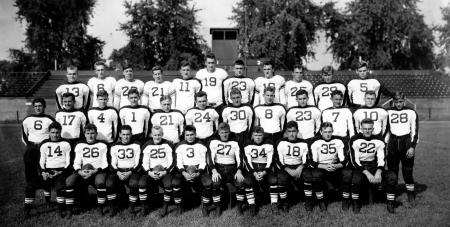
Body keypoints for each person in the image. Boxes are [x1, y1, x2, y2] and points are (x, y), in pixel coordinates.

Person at [348, 119, 398, 213]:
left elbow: (381, 158)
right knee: (356, 179)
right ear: (361, 129)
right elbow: (354, 160)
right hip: (359, 166)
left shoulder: (379, 139)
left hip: (373, 165)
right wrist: (368, 174)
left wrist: (378, 172)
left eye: (369, 129)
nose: (367, 131)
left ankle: (390, 203)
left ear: (373, 129)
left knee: (392, 176)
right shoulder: (354, 139)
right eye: (365, 129)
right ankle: (356, 203)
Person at [24, 122, 70, 218]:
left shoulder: (66, 143)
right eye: (53, 132)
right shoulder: (44, 143)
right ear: (49, 132)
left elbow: (69, 162)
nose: (55, 135)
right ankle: (27, 210)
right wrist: (43, 172)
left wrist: (61, 172)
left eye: (57, 132)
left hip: (61, 171)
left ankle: (61, 210)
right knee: (30, 185)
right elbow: (41, 161)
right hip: (48, 171)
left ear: (60, 132)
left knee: (60, 186)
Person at [65, 124, 108, 218]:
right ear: (84, 134)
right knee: (69, 182)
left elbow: (105, 163)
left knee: (100, 182)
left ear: (96, 134)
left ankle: (100, 209)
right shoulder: (80, 145)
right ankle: (69, 211)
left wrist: (94, 171)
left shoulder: (102, 145)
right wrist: (80, 172)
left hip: (97, 171)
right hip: (83, 171)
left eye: (92, 133)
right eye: (88, 133)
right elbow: (76, 162)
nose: (90, 135)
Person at [22, 98, 55, 211]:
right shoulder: (27, 120)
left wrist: (45, 146)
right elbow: (24, 136)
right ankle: (30, 201)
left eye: (40, 105)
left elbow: (53, 134)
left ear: (44, 106)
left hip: (44, 148)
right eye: (36, 106)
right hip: (31, 148)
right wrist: (31, 145)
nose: (38, 108)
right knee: (30, 175)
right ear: (33, 107)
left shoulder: (49, 119)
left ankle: (48, 200)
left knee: (45, 173)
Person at [386, 92, 419, 203]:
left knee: (407, 171)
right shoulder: (388, 111)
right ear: (393, 101)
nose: (399, 104)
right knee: (392, 171)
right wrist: (386, 145)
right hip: (393, 142)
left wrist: (412, 147)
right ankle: (392, 193)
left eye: (400, 101)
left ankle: (410, 194)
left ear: (404, 100)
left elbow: (415, 131)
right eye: (396, 102)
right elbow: (385, 130)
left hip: (406, 142)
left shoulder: (411, 112)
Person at [206, 123, 245, 216]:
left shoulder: (235, 142)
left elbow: (240, 158)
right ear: (218, 133)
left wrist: (239, 171)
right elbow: (210, 159)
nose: (224, 135)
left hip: (231, 167)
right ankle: (218, 207)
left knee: (240, 183)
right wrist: (214, 171)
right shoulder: (213, 142)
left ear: (229, 132)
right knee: (215, 183)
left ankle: (239, 206)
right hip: (218, 168)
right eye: (222, 132)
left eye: (226, 132)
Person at [309, 122, 348, 212]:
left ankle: (345, 200)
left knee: (348, 173)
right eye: (325, 132)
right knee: (316, 175)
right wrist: (324, 166)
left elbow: (344, 159)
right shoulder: (314, 141)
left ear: (332, 131)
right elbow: (312, 161)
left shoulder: (338, 141)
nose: (328, 134)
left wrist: (337, 165)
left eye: (330, 131)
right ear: (321, 132)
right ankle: (321, 201)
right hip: (320, 166)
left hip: (334, 165)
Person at [139, 126, 176, 217]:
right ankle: (144, 207)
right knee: (142, 184)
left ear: (162, 135)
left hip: (164, 171)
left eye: (159, 135)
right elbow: (144, 162)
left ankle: (165, 207)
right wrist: (149, 172)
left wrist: (165, 172)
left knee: (168, 184)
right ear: (151, 135)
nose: (157, 137)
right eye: (155, 135)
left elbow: (172, 161)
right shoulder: (147, 145)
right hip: (151, 171)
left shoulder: (168, 144)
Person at [172, 125, 209, 216]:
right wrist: (184, 173)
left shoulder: (201, 144)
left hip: (198, 170)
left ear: (195, 134)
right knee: (175, 183)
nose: (190, 137)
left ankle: (205, 206)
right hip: (184, 170)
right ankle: (179, 207)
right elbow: (178, 162)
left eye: (192, 134)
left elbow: (203, 162)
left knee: (208, 183)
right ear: (184, 135)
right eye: (187, 135)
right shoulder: (179, 145)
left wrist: (198, 173)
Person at [107, 125, 142, 216]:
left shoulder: (137, 145)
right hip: (118, 171)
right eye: (124, 134)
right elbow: (112, 163)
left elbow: (138, 162)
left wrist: (130, 172)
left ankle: (131, 208)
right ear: (120, 135)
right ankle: (112, 207)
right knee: (109, 183)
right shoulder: (114, 146)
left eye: (128, 134)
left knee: (134, 183)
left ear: (131, 134)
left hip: (132, 171)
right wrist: (118, 172)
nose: (126, 137)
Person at [274, 121, 309, 212]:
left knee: (308, 176)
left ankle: (308, 201)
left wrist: (301, 167)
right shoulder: (280, 142)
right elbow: (278, 160)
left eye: (294, 131)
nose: (292, 134)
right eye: (289, 131)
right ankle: (284, 202)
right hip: (285, 167)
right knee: (281, 178)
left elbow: (306, 159)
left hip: (299, 166)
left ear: (297, 131)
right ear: (286, 132)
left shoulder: (304, 143)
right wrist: (288, 169)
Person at [243, 126, 277, 215]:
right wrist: (254, 172)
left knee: (273, 180)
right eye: (256, 135)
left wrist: (264, 172)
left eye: (260, 135)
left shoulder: (269, 143)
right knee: (248, 181)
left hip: (265, 167)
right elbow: (247, 161)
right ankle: (252, 205)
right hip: (252, 167)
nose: (258, 137)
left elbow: (271, 160)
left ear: (263, 135)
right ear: (252, 136)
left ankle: (274, 203)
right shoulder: (247, 144)